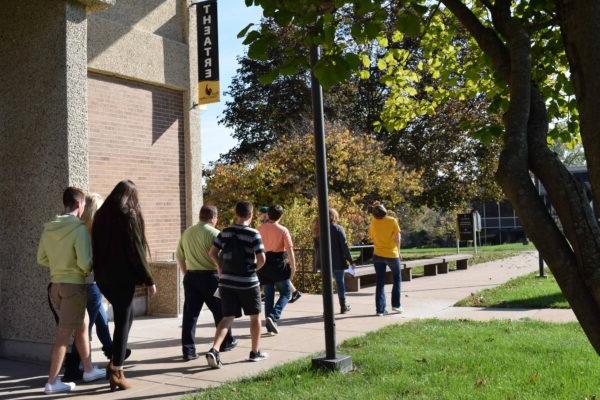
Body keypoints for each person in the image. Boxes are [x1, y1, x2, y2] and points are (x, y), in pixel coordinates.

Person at [37, 187, 105, 394]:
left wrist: (61, 265)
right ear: (78, 204)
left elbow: (41, 258)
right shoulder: (78, 229)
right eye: (84, 204)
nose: (84, 208)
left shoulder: (50, 227)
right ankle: (52, 382)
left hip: (55, 286)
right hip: (73, 287)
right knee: (63, 335)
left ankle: (89, 369)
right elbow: (85, 264)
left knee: (82, 324)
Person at [92, 180, 157, 391]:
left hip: (103, 277)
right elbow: (136, 250)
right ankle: (117, 370)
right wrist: (149, 279)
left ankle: (114, 361)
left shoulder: (101, 215)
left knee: (126, 317)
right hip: (121, 278)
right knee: (123, 321)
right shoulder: (128, 215)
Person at [205, 201, 268, 368]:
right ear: (251, 215)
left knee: (227, 318)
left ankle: (215, 349)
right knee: (255, 317)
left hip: (226, 282)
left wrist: (221, 268)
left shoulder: (224, 232)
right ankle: (255, 352)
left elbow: (212, 253)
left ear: (236, 213)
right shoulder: (254, 234)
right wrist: (252, 269)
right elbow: (262, 259)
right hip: (248, 282)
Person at [177, 205, 238, 361]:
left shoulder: (187, 232)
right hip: (211, 277)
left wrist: (186, 274)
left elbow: (180, 256)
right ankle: (225, 343)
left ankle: (188, 351)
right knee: (221, 312)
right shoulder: (216, 234)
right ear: (213, 218)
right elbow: (224, 258)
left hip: (191, 277)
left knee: (190, 315)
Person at [80, 193, 122, 361]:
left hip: (89, 282)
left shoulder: (84, 230)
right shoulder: (89, 233)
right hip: (91, 282)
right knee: (87, 327)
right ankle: (80, 363)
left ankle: (111, 350)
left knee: (100, 320)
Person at [258, 205, 296, 334]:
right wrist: (293, 266)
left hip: (264, 263)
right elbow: (289, 249)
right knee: (286, 293)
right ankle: (273, 316)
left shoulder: (259, 229)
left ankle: (270, 326)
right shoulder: (283, 230)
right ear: (281, 216)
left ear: (268, 214)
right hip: (278, 263)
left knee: (268, 295)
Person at [313, 208, 354, 314]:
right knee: (340, 283)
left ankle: (327, 309)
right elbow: (344, 246)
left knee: (326, 286)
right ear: (334, 217)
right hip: (337, 261)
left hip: (324, 262)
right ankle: (343, 306)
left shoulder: (318, 229)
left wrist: (317, 263)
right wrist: (351, 260)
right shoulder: (338, 229)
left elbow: (316, 249)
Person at [368, 203, 402, 316]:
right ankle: (396, 305)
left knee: (380, 282)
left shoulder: (373, 222)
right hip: (392, 254)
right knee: (397, 279)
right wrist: (399, 251)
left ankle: (380, 310)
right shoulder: (392, 220)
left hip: (378, 254)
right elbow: (397, 238)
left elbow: (372, 237)